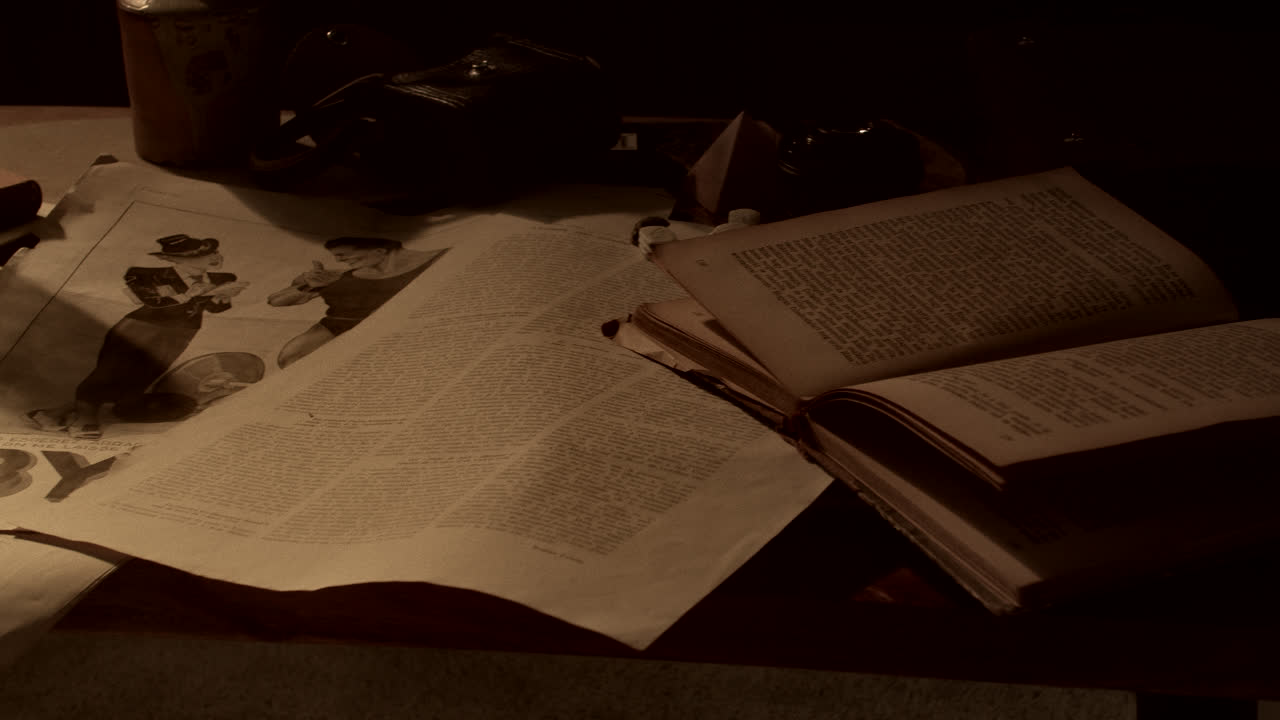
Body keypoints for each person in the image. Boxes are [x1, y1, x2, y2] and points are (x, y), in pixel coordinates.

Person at [26, 234, 248, 439]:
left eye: (216, 253)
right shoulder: (144, 274)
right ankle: (85, 417)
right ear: (176, 258)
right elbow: (150, 300)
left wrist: (222, 299)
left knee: (141, 376)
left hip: (182, 332)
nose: (217, 257)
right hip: (142, 326)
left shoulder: (223, 278)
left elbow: (214, 308)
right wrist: (186, 295)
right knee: (111, 370)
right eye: (207, 254)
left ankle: (52, 414)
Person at [268, 237, 443, 368]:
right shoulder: (337, 275)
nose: (339, 260)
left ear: (379, 251)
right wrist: (307, 285)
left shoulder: (434, 260)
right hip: (336, 327)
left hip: (389, 329)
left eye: (343, 255)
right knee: (291, 359)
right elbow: (275, 301)